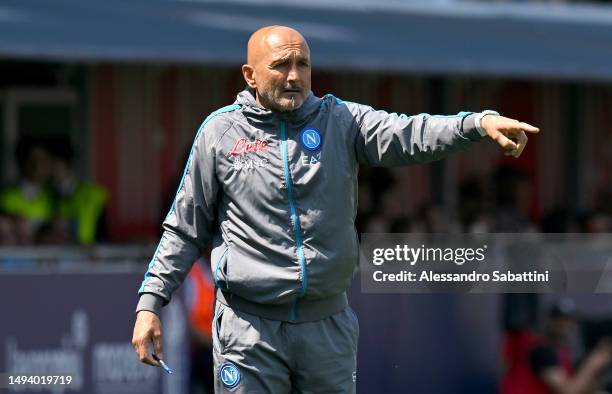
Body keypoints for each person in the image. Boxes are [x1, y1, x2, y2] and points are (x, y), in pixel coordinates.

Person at [132, 25, 539, 393]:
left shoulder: (341, 120)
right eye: (281, 66)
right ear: (249, 75)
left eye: (302, 64)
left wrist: (475, 123)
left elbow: (410, 132)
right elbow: (184, 229)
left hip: (326, 327)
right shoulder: (219, 133)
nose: (294, 76)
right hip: (248, 329)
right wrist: (151, 303)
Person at [501, 299, 612, 394]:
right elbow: (567, 391)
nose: (566, 326)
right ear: (551, 322)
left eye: (570, 321)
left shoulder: (565, 355)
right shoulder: (541, 351)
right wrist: (593, 362)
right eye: (561, 321)